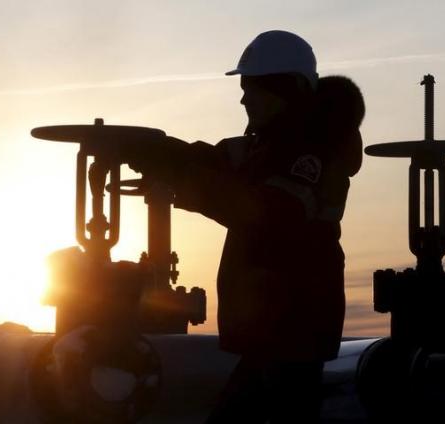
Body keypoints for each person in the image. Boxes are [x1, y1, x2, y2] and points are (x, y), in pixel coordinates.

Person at [123, 30, 365, 423]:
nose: (243, 98)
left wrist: (184, 186)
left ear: (283, 90)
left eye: (250, 87)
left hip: (292, 330)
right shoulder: (271, 144)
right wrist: (157, 153)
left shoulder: (311, 153)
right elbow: (214, 163)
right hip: (276, 332)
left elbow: (263, 213)